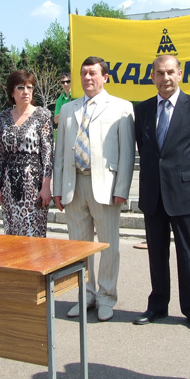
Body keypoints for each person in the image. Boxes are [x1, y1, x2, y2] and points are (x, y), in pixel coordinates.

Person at [132, 55, 190, 333]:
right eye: (159, 73)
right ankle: (158, 305)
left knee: (188, 255)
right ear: (152, 77)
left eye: (170, 72)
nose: (165, 78)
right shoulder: (142, 110)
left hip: (185, 194)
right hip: (153, 195)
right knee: (156, 254)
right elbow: (145, 150)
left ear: (180, 74)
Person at [53, 56, 135, 322]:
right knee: (78, 247)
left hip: (106, 187)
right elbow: (60, 151)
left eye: (93, 73)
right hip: (73, 184)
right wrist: (57, 187)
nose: (87, 77)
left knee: (109, 246)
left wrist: (122, 187)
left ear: (105, 77)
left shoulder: (121, 107)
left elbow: (127, 153)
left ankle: (107, 297)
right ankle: (85, 295)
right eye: (84, 73)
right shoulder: (69, 109)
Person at [0, 70, 54, 237]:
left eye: (29, 87)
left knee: (33, 234)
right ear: (12, 92)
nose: (26, 92)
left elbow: (48, 154)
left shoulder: (42, 115)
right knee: (12, 234)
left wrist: (46, 187)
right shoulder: (3, 117)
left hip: (33, 184)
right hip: (9, 184)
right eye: (20, 87)